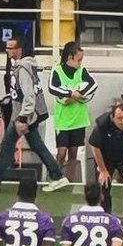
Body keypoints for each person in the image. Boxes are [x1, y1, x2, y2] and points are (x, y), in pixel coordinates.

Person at [0, 36, 70, 194]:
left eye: (10, 48)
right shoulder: (24, 66)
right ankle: (57, 175)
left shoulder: (23, 69)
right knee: (34, 145)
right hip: (26, 114)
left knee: (8, 145)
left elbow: (29, 96)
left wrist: (23, 117)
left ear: (19, 49)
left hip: (24, 116)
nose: (7, 51)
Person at [89, 101, 123, 234]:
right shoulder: (102, 125)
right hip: (105, 157)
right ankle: (106, 218)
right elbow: (94, 147)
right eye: (120, 118)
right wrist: (103, 170)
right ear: (112, 117)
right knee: (104, 186)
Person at [48, 40, 97, 184]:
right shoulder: (56, 70)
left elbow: (94, 85)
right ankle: (56, 177)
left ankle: (68, 180)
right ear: (69, 57)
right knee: (62, 151)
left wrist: (78, 94)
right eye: (79, 59)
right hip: (63, 119)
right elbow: (53, 88)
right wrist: (70, 93)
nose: (81, 63)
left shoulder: (82, 71)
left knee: (74, 152)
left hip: (78, 118)